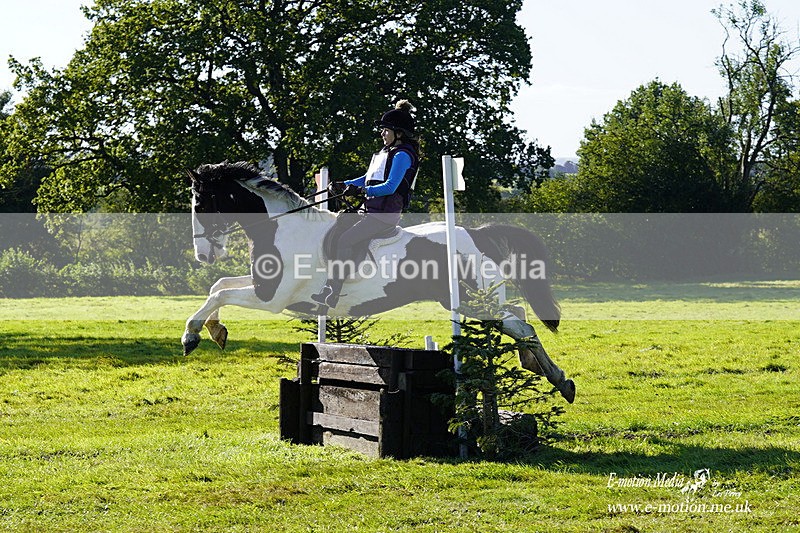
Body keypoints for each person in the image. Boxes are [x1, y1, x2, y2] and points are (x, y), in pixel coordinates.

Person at [311, 99, 420, 309]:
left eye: (386, 130)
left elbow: (390, 187)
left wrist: (361, 191)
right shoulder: (384, 154)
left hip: (385, 214)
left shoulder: (403, 156)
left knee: (345, 240)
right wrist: (345, 184)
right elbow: (366, 178)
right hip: (370, 210)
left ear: (399, 133)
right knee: (335, 229)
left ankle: (333, 291)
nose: (382, 133)